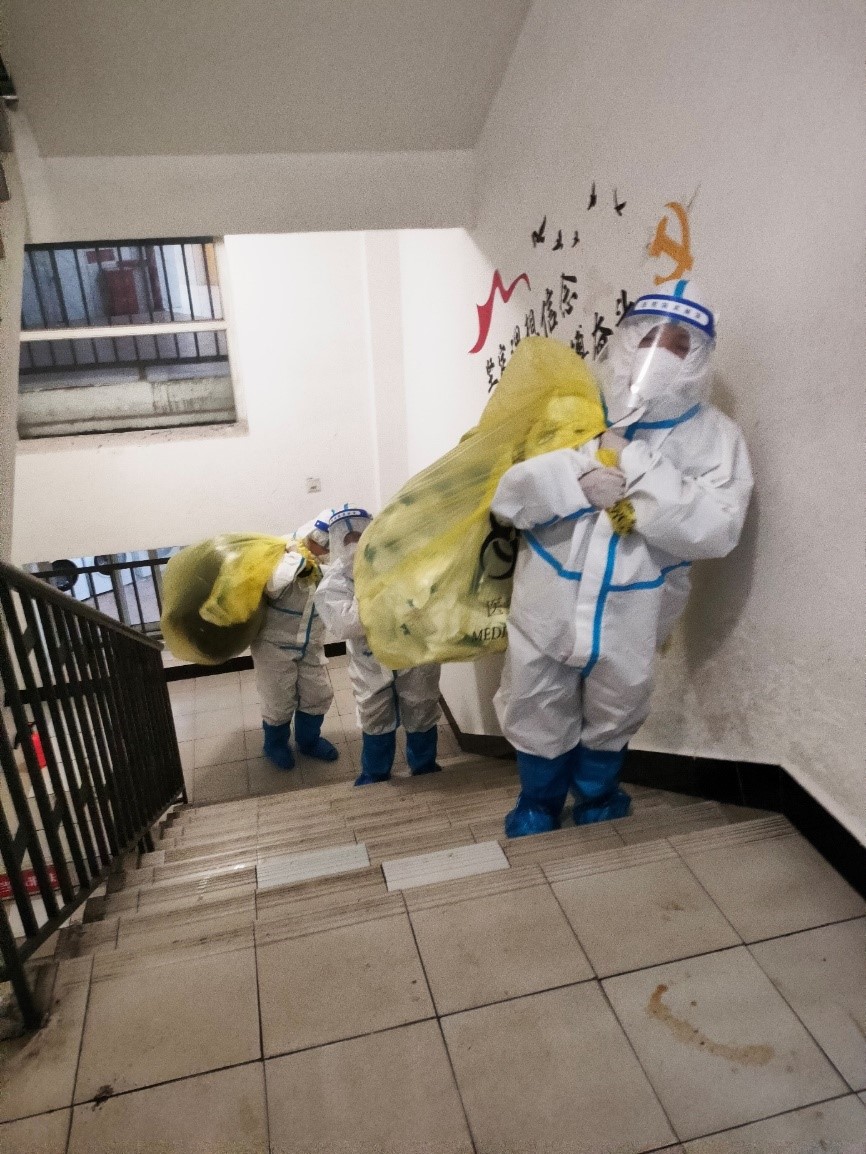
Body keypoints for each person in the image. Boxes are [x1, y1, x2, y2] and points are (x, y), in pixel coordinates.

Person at [491, 280, 753, 836]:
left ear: (700, 358)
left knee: (618, 706)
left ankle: (598, 799)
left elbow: (717, 528)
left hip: (635, 608)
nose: (661, 354)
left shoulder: (715, 438)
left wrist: (634, 463)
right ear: (627, 338)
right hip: (547, 599)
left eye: (679, 345)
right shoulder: (573, 407)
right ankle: (537, 803)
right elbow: (509, 498)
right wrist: (574, 481)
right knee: (535, 699)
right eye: (650, 337)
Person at [315, 506, 443, 785]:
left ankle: (424, 767)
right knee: (375, 715)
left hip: (413, 653)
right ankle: (375, 774)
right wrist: (381, 593)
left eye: (359, 536)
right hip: (370, 662)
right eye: (347, 539)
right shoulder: (333, 583)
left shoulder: (401, 562)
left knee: (421, 707)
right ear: (337, 542)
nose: (354, 544)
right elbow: (347, 624)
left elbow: (425, 598)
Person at [250, 509, 341, 770]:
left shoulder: (332, 561)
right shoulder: (285, 553)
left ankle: (309, 741)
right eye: (325, 545)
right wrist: (297, 564)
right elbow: (271, 586)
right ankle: (275, 744)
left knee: (318, 694)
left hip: (311, 643)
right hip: (273, 644)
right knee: (278, 699)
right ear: (313, 536)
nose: (328, 550)